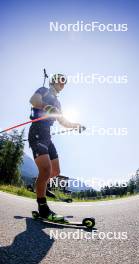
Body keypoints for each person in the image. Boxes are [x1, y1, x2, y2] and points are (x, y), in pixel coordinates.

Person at [28, 73, 84, 221]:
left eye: (64, 83)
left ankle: (40, 185)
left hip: (48, 137)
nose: (62, 84)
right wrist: (46, 107)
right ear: (53, 81)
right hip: (37, 131)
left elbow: (62, 121)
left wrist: (74, 125)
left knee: (56, 171)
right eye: (60, 81)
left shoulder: (58, 104)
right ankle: (43, 208)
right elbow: (33, 100)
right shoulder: (43, 91)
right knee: (45, 171)